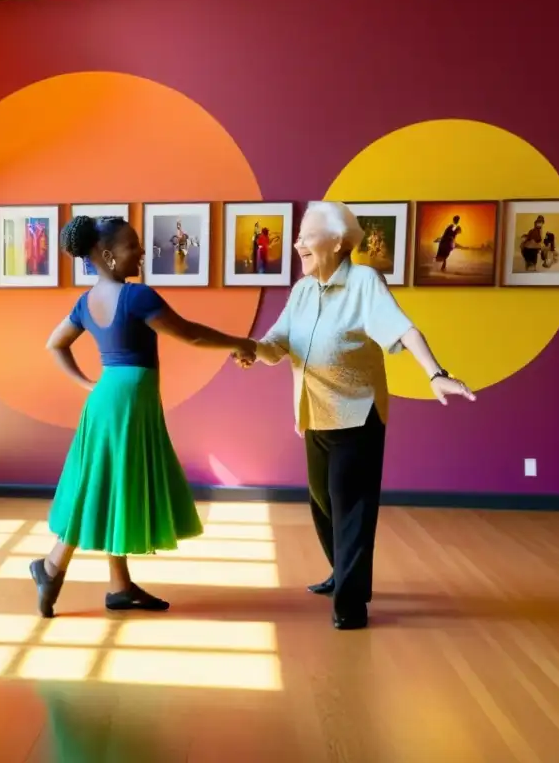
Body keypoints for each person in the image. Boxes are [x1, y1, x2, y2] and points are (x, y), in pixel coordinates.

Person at [237, 201, 475, 630]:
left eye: (307, 235)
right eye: (298, 236)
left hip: (357, 415)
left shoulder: (364, 281)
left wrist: (435, 373)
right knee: (323, 505)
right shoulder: (302, 290)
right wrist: (251, 349)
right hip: (314, 412)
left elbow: (403, 329)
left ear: (339, 242)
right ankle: (342, 574)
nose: (297, 243)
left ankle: (350, 603)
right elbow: (278, 342)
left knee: (352, 511)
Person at [31, 215, 258, 618]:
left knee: (113, 482)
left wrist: (90, 385)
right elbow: (189, 333)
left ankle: (119, 587)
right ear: (106, 255)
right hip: (128, 403)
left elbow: (54, 344)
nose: (140, 251)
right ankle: (51, 566)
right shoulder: (136, 297)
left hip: (111, 398)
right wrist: (240, 343)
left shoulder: (86, 302)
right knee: (105, 483)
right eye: (131, 245)